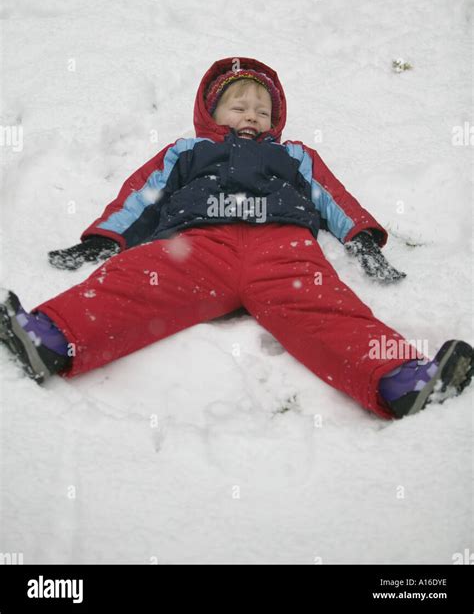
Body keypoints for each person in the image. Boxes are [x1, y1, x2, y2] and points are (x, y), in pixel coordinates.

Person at [0, 57, 472, 420]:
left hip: (283, 250)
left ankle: (402, 381)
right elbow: (143, 195)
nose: (252, 116)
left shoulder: (294, 155)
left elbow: (334, 198)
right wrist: (106, 238)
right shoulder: (188, 151)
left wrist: (362, 239)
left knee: (330, 312)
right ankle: (52, 340)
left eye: (262, 110)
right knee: (132, 283)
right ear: (210, 112)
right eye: (239, 106)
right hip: (198, 246)